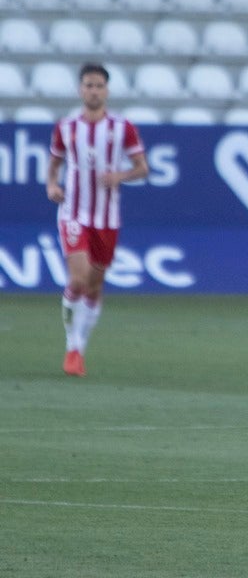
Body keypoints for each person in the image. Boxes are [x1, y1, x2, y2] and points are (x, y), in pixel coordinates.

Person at [46, 62, 149, 377]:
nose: (93, 90)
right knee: (77, 279)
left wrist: (121, 175)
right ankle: (72, 348)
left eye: (99, 85)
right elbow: (54, 165)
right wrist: (52, 185)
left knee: (94, 286)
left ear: (107, 90)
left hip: (107, 218)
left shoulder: (123, 127)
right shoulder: (66, 127)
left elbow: (142, 168)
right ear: (80, 89)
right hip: (74, 213)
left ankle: (81, 346)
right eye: (88, 85)